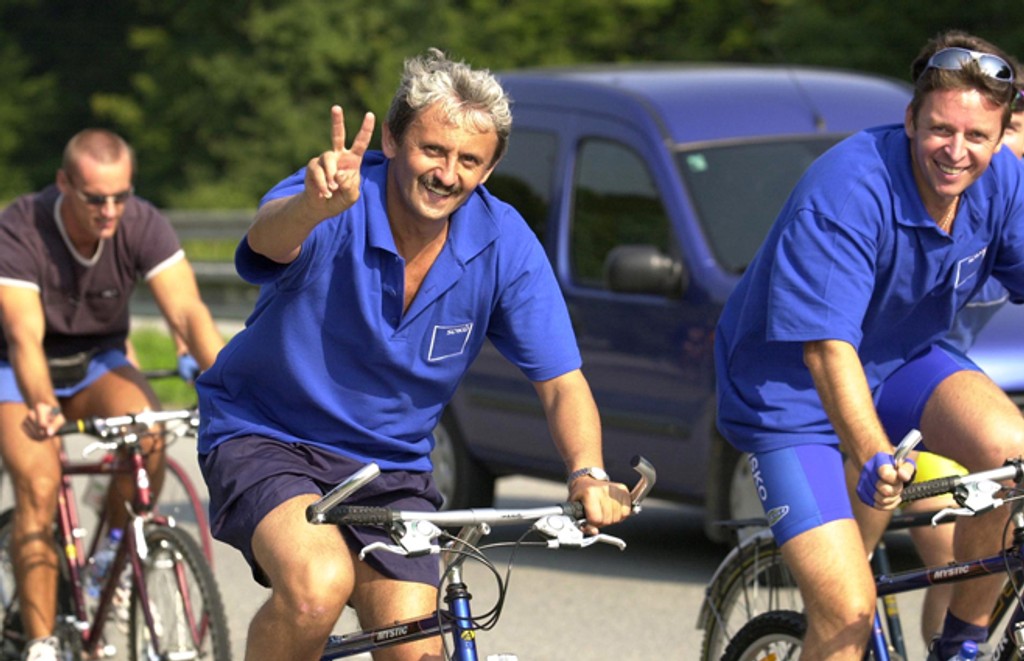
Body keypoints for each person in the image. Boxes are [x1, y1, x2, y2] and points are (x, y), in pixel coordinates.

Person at [194, 48, 633, 661]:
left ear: (490, 168)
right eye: (433, 150)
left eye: (469, 160)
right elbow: (268, 241)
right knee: (318, 587)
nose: (447, 174)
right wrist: (310, 209)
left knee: (416, 646)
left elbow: (561, 381)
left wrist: (588, 472)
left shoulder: (503, 242)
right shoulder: (340, 192)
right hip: (269, 435)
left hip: (389, 467)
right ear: (394, 141)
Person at [714, 30, 1024, 660]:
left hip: (900, 360)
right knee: (848, 614)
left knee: (1012, 455)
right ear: (910, 120)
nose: (956, 152)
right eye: (941, 129)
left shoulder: (1003, 180)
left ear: (999, 138)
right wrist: (873, 453)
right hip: (790, 399)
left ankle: (959, 645)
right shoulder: (848, 190)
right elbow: (826, 351)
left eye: (977, 136)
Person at [0, 128, 225, 661]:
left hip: (96, 361)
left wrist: (229, 386)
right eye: (95, 199)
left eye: (120, 197)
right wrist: (42, 403)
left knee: (149, 434)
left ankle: (110, 562)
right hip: (18, 367)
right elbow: (24, 336)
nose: (109, 211)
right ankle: (41, 643)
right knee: (39, 484)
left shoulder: (141, 222)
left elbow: (188, 312)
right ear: (64, 184)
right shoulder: (21, 226)